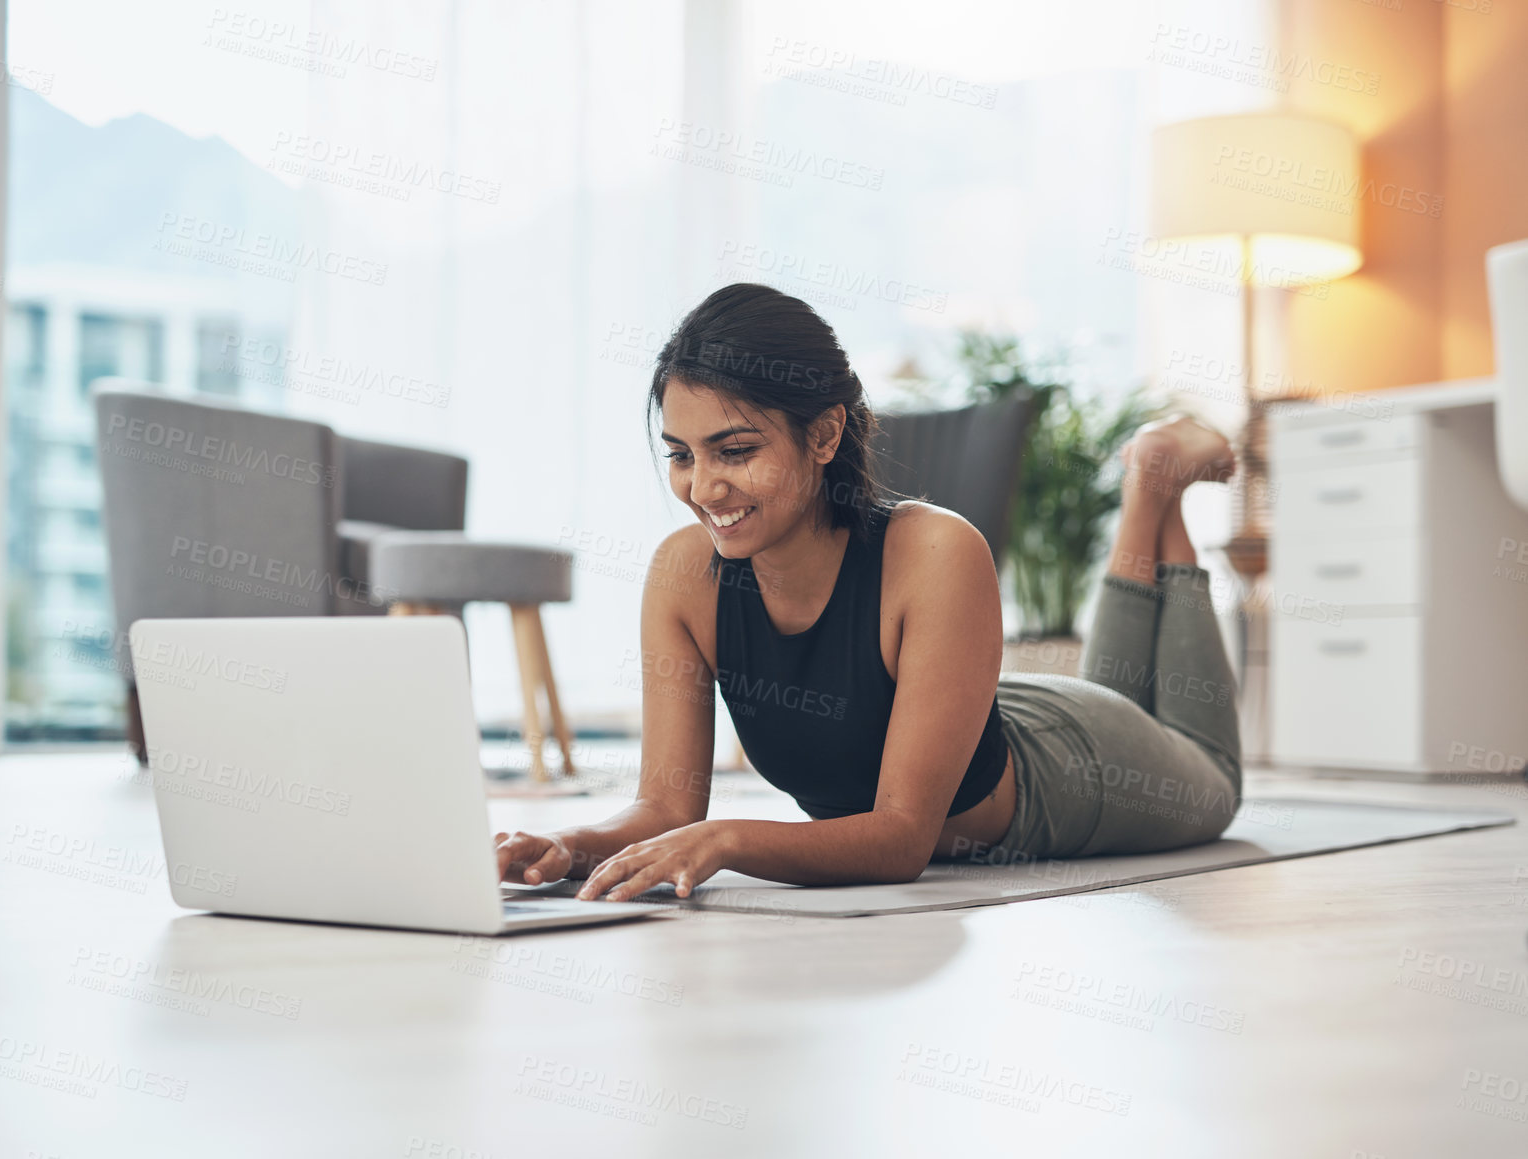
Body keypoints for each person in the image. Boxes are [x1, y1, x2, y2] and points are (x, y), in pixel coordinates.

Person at [495, 283, 1243, 902]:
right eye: (682, 455)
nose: (704, 487)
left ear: (823, 435)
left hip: (1070, 762)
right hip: (979, 712)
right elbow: (663, 808)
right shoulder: (683, 574)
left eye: (736, 450)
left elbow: (899, 837)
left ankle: (1151, 484)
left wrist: (725, 838)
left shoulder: (933, 550)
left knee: (1208, 776)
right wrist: (567, 844)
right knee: (1124, 686)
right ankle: (1153, 485)